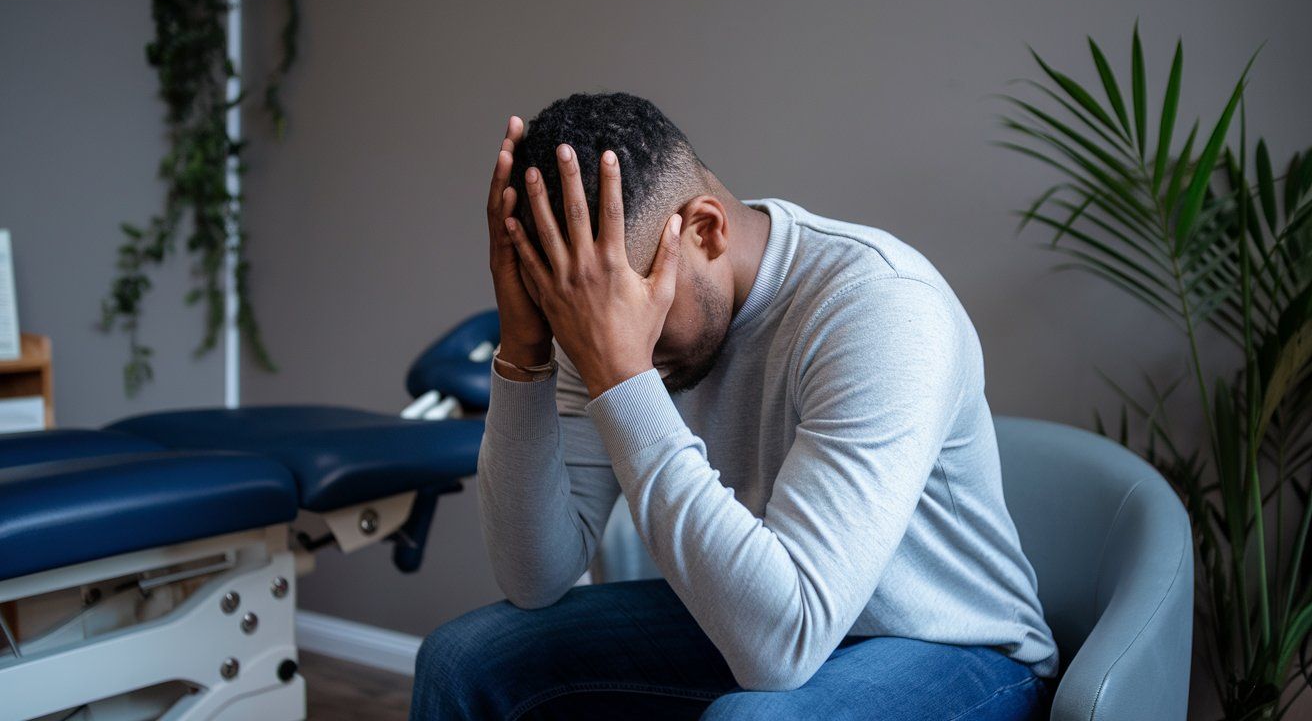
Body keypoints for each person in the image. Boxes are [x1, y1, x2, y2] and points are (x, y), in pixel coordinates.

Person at [410, 92, 1058, 720]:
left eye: (637, 321)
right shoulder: (600, 315)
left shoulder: (881, 306)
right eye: (588, 329)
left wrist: (623, 373)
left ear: (706, 230)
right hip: (757, 610)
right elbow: (536, 576)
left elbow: (781, 644)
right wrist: (526, 349)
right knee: (464, 660)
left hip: (952, 645)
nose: (612, 348)